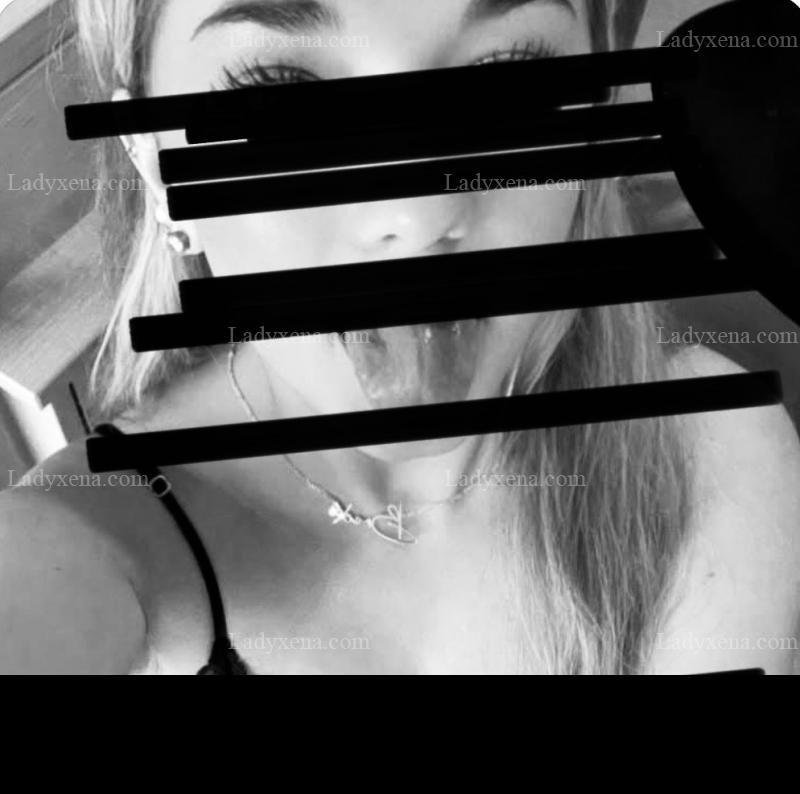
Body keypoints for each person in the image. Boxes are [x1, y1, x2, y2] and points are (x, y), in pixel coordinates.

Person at [0, 0, 798, 675]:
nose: (417, 216)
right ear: (155, 165)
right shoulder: (86, 540)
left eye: (507, 77)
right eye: (282, 95)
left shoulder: (710, 447)